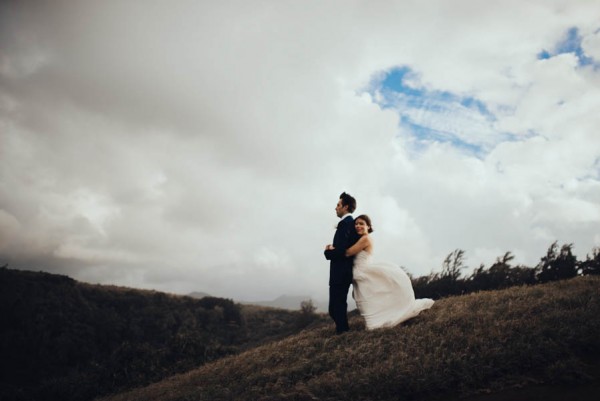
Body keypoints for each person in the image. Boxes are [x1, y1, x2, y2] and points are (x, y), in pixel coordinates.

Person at [334, 214, 434, 330]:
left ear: (368, 227)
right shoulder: (359, 239)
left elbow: (348, 252)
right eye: (356, 224)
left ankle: (376, 323)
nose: (358, 226)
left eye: (361, 223)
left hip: (364, 273)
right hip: (359, 275)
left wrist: (333, 249)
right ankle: (376, 321)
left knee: (370, 299)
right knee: (371, 300)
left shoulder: (365, 239)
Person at [324, 192, 360, 334]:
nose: (335, 208)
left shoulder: (346, 224)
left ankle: (343, 333)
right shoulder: (347, 224)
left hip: (341, 272)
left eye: (338, 205)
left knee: (336, 307)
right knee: (335, 307)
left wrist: (327, 252)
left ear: (345, 207)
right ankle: (342, 331)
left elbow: (342, 251)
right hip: (340, 272)